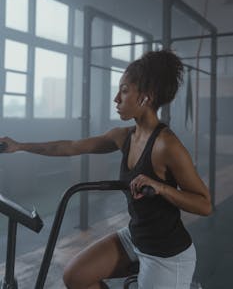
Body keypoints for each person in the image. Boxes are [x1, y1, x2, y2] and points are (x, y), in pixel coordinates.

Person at [0, 50, 212, 289]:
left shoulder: (167, 145)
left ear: (146, 97)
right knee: (76, 276)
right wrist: (20, 146)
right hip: (136, 237)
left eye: (123, 91)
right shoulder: (123, 137)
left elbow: (204, 204)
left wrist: (161, 188)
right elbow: (70, 147)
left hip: (166, 254)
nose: (116, 99)